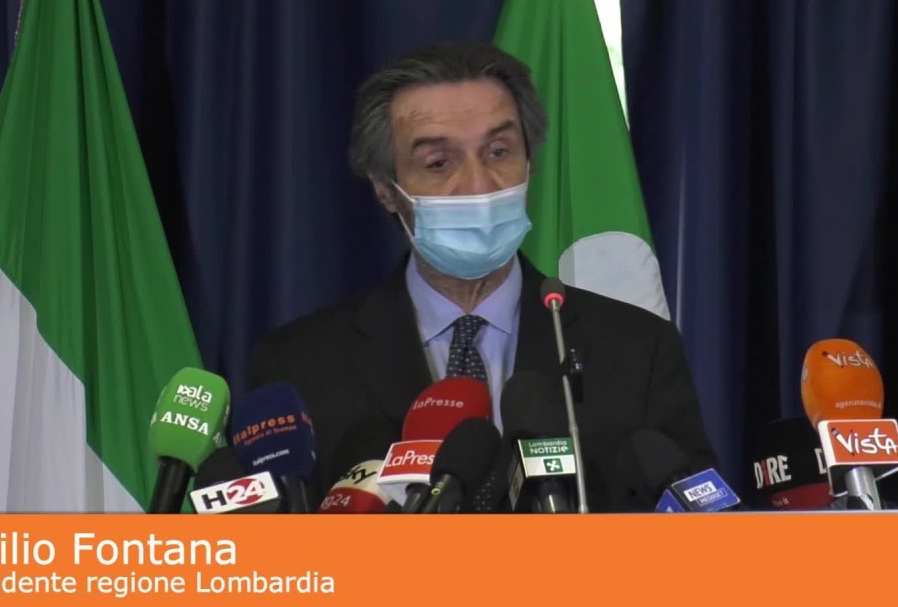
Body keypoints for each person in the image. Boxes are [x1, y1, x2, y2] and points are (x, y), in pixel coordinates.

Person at [247, 41, 717, 511]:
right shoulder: (299, 367)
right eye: (438, 163)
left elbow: (702, 530)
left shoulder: (639, 350)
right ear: (386, 189)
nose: (478, 184)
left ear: (529, 162)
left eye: (498, 151)